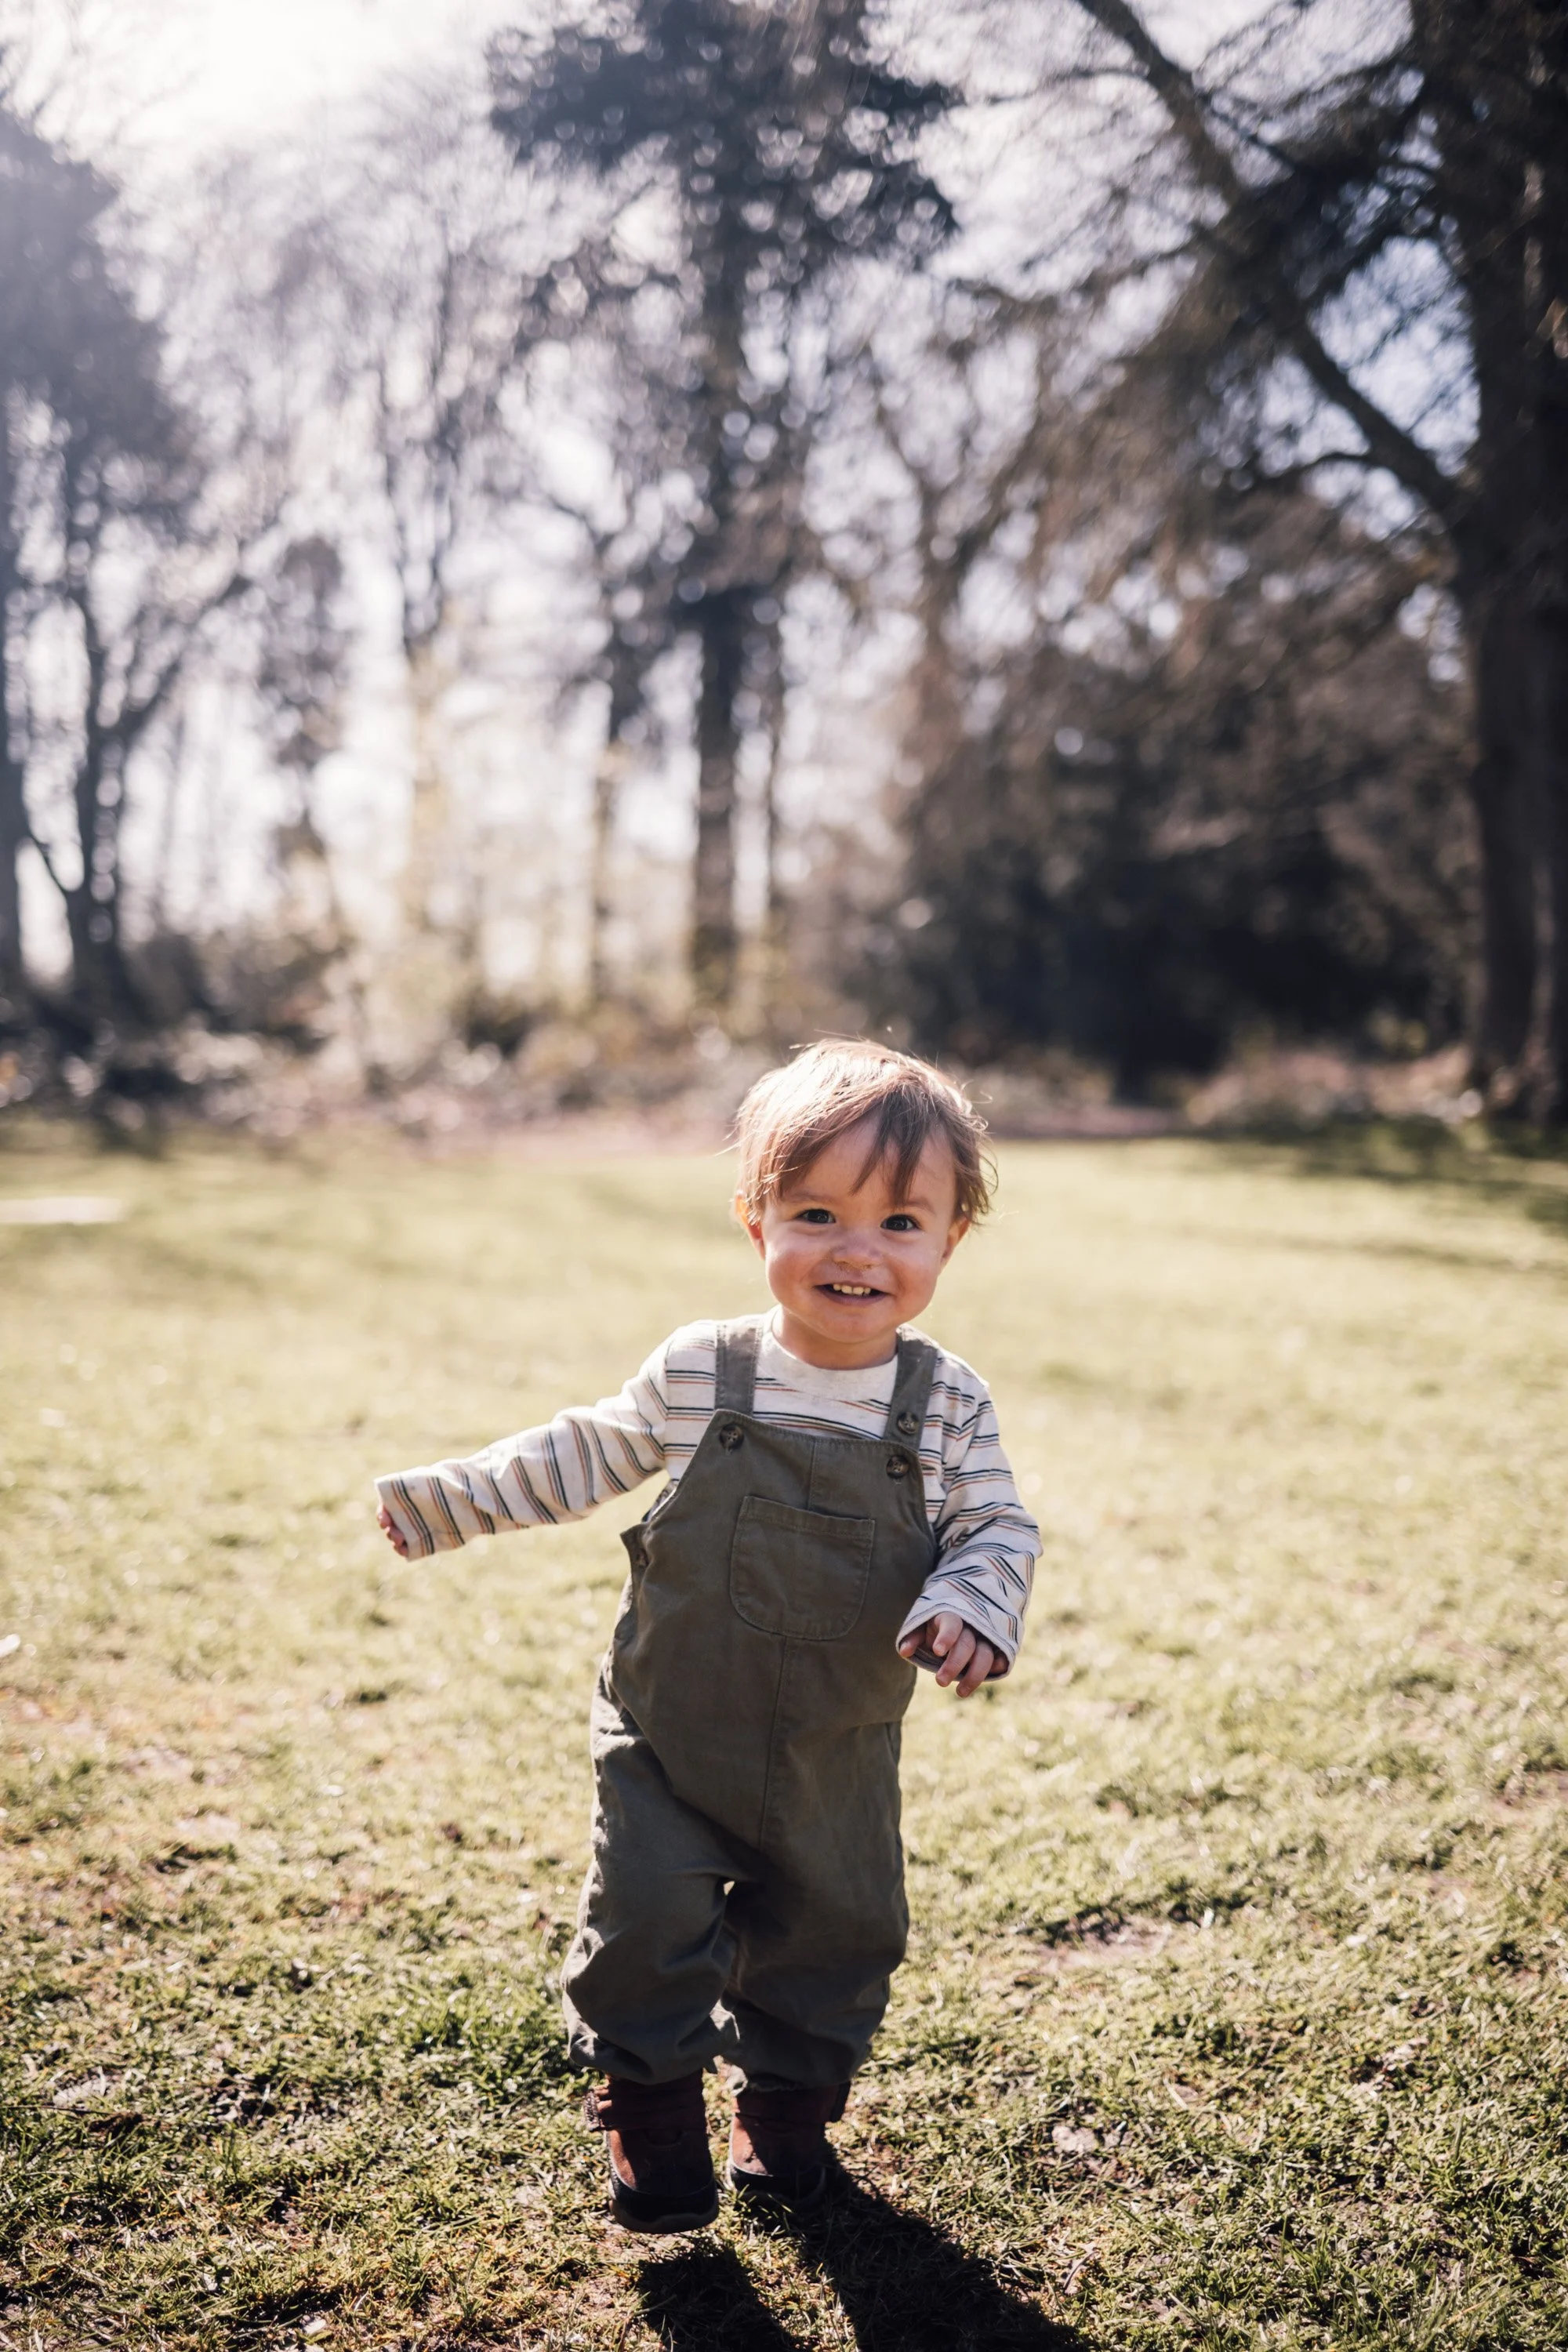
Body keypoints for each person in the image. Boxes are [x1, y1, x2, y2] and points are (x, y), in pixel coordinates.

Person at [375, 1039, 1040, 2232]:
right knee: (643, 1920)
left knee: (837, 1933)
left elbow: (995, 1523)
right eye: (818, 1212)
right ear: (756, 1220)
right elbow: (582, 1454)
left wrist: (970, 1603)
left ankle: (785, 2121)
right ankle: (652, 2118)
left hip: (836, 1743)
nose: (856, 1249)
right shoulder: (704, 1372)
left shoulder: (946, 1401)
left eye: (900, 1222)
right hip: (671, 1727)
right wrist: (454, 1498)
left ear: (950, 1240)